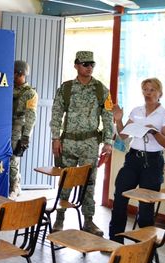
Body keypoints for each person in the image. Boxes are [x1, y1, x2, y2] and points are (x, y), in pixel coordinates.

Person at [50, 50, 114, 236]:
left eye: (92, 64)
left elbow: (108, 117)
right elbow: (56, 113)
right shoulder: (67, 88)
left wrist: (108, 142)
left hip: (90, 144)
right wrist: (55, 137)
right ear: (76, 65)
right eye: (85, 64)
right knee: (66, 182)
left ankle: (88, 221)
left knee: (89, 183)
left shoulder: (101, 89)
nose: (89, 68)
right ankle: (59, 218)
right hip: (68, 142)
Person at [108, 78, 165, 243]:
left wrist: (154, 132)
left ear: (160, 93)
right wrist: (118, 119)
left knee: (146, 205)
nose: (148, 93)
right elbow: (123, 136)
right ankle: (115, 241)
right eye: (145, 90)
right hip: (133, 159)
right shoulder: (136, 111)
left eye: (152, 90)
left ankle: (144, 245)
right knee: (120, 197)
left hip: (152, 162)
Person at [10, 60, 38, 198]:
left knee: (13, 159)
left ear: (21, 73)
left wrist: (26, 136)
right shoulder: (8, 87)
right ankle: (16, 186)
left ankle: (14, 187)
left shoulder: (30, 93)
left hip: (17, 128)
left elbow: (31, 117)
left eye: (14, 72)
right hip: (4, 127)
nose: (12, 75)